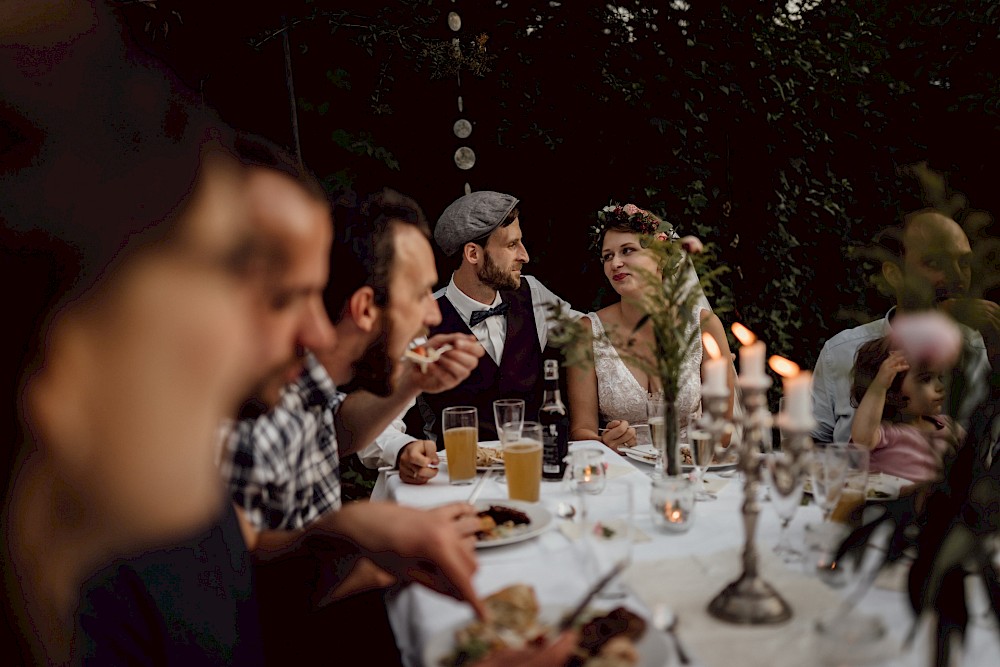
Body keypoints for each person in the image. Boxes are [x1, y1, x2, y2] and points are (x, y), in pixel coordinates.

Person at [75, 141, 490, 665]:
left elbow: (329, 440)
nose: (316, 330)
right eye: (287, 296)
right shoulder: (226, 428)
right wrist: (349, 539)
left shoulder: (277, 395)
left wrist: (356, 541)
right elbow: (245, 603)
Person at [225, 187, 485, 531]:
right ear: (364, 309)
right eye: (421, 293)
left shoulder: (309, 386)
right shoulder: (252, 428)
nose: (434, 315)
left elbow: (337, 431)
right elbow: (255, 577)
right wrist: (380, 540)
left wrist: (411, 383)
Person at [811, 209, 998, 444]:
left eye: (964, 263)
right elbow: (811, 449)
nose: (957, 277)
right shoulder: (840, 352)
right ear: (894, 274)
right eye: (935, 262)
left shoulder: (982, 350)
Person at [566, 203, 735, 452]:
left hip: (686, 470)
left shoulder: (704, 326)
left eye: (627, 250)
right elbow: (581, 430)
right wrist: (604, 443)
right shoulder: (586, 331)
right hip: (617, 472)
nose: (615, 264)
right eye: (608, 256)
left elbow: (722, 433)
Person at [418, 190, 582, 443]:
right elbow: (387, 409)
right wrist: (401, 448)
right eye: (511, 245)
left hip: (532, 463)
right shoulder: (424, 319)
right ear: (473, 254)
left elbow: (591, 332)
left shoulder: (533, 293)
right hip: (458, 473)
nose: (524, 256)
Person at [849, 336, 965, 482]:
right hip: (889, 503)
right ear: (891, 394)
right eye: (925, 379)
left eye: (939, 377)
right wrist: (880, 385)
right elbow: (861, 438)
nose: (940, 387)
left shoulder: (947, 425)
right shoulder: (882, 433)